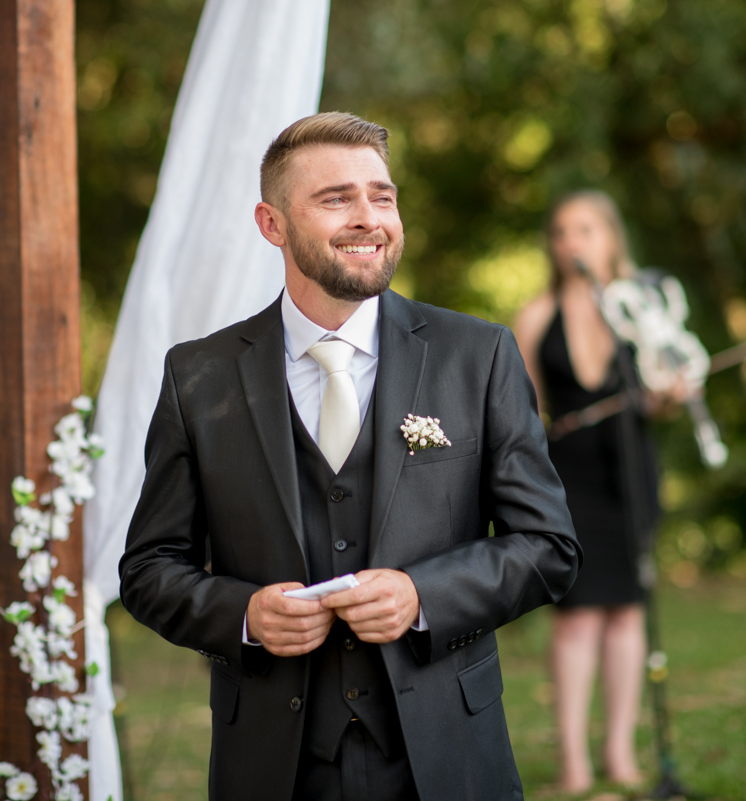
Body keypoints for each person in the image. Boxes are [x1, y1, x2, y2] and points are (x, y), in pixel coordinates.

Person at [118, 112, 581, 801]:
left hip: (446, 757)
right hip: (272, 766)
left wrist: (423, 596)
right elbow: (149, 568)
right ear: (272, 224)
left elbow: (549, 546)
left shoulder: (477, 356)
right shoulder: (200, 377)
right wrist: (244, 614)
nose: (369, 216)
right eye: (336, 198)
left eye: (382, 196)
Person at [514, 190, 671, 793]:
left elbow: (656, 399)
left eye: (585, 230)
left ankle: (621, 751)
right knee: (577, 619)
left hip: (628, 474)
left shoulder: (641, 308)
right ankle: (574, 761)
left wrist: (667, 396)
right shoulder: (537, 315)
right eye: (561, 232)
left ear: (611, 237)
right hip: (567, 480)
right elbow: (522, 413)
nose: (571, 243)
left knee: (628, 613)